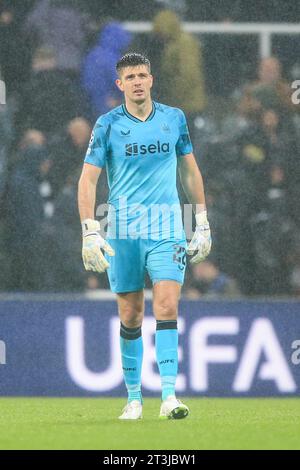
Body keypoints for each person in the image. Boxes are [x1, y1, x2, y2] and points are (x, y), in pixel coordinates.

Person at [78, 53, 211, 420]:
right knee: (131, 314)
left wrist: (201, 221)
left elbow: (190, 171)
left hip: (167, 225)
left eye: (142, 75)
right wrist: (90, 229)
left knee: (167, 306)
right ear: (119, 85)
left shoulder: (174, 118)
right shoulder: (107, 125)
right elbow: (88, 179)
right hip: (122, 228)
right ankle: (134, 397)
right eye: (129, 77)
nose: (137, 81)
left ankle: (169, 395)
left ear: (151, 80)